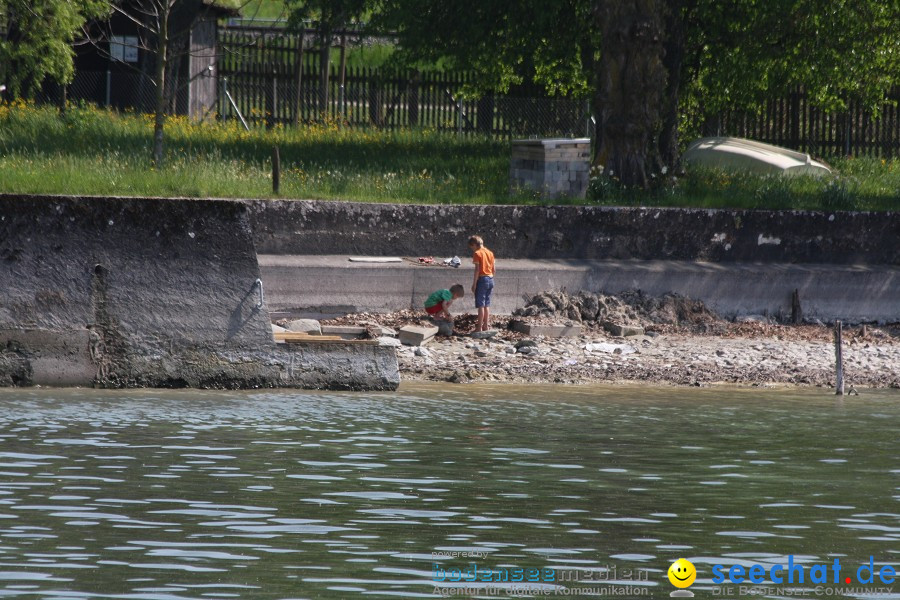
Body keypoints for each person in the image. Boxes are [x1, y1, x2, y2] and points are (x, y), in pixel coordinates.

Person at [468, 235, 495, 332]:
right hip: (491, 278)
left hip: (482, 279)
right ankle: (486, 326)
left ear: (474, 245)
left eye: (472, 247)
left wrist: (474, 284)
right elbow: (493, 269)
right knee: (487, 304)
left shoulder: (477, 253)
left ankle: (479, 327)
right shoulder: (490, 253)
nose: (472, 250)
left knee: (480, 305)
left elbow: (477, 270)